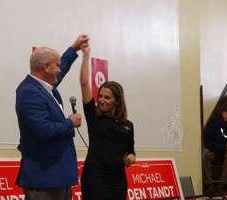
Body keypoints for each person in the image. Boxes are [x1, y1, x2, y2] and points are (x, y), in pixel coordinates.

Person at [15, 35, 89, 200]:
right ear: (46, 67)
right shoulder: (29, 92)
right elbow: (42, 130)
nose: (59, 69)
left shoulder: (44, 87)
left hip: (56, 177)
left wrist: (73, 49)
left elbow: (61, 72)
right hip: (44, 178)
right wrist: (69, 123)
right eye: (57, 65)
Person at [79, 42, 136, 200]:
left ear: (117, 101)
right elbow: (84, 84)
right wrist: (85, 56)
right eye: (100, 96)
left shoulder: (128, 125)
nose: (102, 100)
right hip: (95, 179)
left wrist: (131, 158)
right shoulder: (94, 116)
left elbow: (131, 151)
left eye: (107, 97)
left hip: (117, 181)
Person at [204, 102, 227, 196]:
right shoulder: (213, 123)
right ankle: (209, 185)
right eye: (226, 112)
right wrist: (224, 146)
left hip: (226, 152)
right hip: (214, 150)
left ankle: (223, 184)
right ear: (221, 112)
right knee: (204, 153)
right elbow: (207, 142)